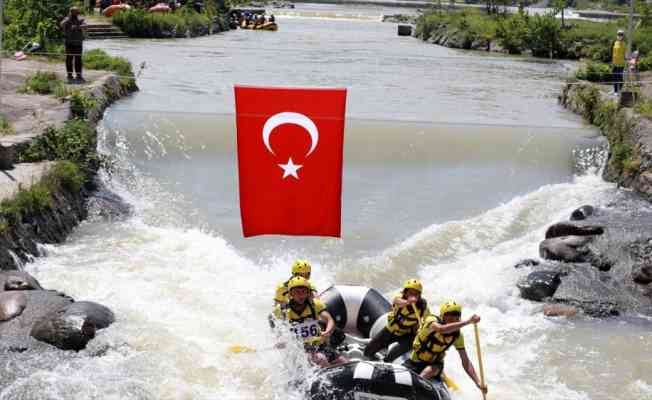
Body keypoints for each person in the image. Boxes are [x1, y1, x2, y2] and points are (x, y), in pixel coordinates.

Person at [403, 301, 487, 396]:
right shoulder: (431, 320)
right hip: (415, 362)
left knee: (429, 370)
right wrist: (468, 322)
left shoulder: (458, 336)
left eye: (456, 317)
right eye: (450, 317)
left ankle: (415, 391)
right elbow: (441, 329)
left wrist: (478, 382)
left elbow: (466, 362)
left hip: (435, 365)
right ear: (443, 316)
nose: (454, 320)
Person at [272, 276, 348, 368]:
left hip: (319, 346)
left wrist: (328, 332)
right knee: (321, 359)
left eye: (304, 292)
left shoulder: (315, 304)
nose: (301, 295)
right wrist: (280, 339)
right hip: (300, 350)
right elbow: (274, 324)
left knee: (344, 362)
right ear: (291, 294)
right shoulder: (281, 310)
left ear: (308, 293)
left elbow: (329, 320)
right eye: (297, 292)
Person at [363, 279, 430, 362]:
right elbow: (397, 301)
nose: (413, 295)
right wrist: (408, 302)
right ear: (405, 293)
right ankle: (373, 356)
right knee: (368, 351)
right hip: (391, 330)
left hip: (407, 334)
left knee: (398, 350)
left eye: (415, 293)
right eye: (410, 293)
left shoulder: (423, 307)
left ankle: (387, 361)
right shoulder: (399, 298)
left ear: (419, 295)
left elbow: (428, 320)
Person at [60, 7, 86, 84]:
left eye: (76, 12)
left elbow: (86, 26)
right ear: (70, 13)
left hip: (78, 43)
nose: (75, 14)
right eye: (74, 12)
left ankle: (79, 75)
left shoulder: (80, 19)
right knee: (69, 59)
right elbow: (61, 24)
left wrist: (77, 27)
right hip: (69, 43)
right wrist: (68, 19)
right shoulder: (66, 19)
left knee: (78, 59)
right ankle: (69, 74)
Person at [612, 29, 626, 96]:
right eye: (618, 34)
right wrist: (612, 62)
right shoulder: (615, 42)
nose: (619, 36)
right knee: (614, 76)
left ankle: (619, 91)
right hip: (614, 63)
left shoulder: (624, 44)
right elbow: (613, 53)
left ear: (623, 36)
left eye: (621, 34)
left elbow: (625, 54)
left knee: (619, 77)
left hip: (621, 64)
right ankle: (615, 91)